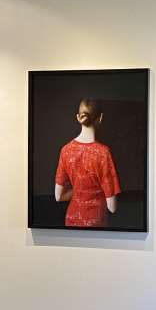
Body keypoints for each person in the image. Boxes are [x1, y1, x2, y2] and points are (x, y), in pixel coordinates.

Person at [53, 98, 121, 228]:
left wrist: (79, 190)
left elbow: (58, 196)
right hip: (95, 222)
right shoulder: (103, 153)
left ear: (78, 117)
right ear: (100, 118)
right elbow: (112, 207)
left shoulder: (66, 150)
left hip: (72, 219)